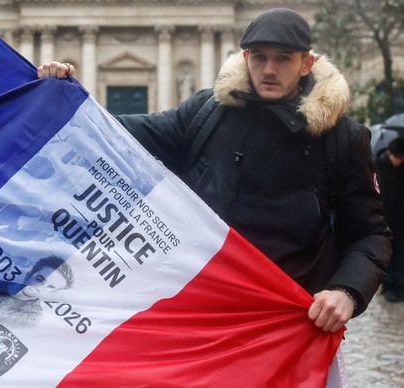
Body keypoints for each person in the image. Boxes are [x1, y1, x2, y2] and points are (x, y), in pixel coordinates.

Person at [37, 8, 391, 334]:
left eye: (283, 59)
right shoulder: (206, 112)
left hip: (285, 321)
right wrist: (67, 99)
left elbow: (370, 234)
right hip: (201, 306)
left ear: (306, 63)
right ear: (246, 58)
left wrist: (347, 290)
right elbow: (121, 134)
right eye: (261, 58)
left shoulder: (343, 139)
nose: (270, 70)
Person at [374, 138, 404, 302]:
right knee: (387, 255)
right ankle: (388, 286)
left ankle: (399, 286)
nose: (399, 161)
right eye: (397, 158)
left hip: (400, 220)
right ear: (391, 153)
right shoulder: (378, 166)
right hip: (384, 219)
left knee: (400, 256)